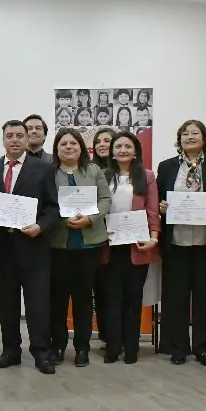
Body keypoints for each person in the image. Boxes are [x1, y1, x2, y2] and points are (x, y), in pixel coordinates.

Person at [0, 120, 60, 375]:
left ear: (27, 140)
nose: (14, 140)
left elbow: (53, 207)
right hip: (1, 248)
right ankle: (10, 351)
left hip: (34, 246)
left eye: (19, 135)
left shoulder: (44, 169)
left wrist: (40, 226)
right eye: (9, 135)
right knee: (7, 304)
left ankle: (41, 352)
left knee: (38, 305)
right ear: (3, 140)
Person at [157, 120, 206, 367]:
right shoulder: (167, 167)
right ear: (179, 139)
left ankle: (205, 347)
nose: (189, 137)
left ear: (204, 138)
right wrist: (161, 206)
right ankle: (177, 347)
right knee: (175, 297)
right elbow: (158, 198)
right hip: (176, 241)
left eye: (195, 133)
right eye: (185, 134)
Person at [49, 128, 111, 367]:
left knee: (83, 298)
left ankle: (82, 347)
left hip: (89, 244)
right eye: (63, 144)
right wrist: (59, 218)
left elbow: (105, 199)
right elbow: (44, 203)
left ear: (81, 148)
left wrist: (90, 219)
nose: (69, 147)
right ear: (57, 149)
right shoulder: (49, 173)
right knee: (58, 299)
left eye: (73, 143)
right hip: (58, 244)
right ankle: (58, 345)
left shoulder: (94, 170)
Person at [101, 131, 160, 364]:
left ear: (135, 151)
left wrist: (154, 238)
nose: (123, 150)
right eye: (118, 146)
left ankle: (132, 348)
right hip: (110, 246)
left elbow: (152, 210)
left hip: (137, 245)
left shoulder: (147, 176)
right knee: (111, 298)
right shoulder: (103, 175)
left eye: (127, 146)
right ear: (112, 152)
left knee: (133, 298)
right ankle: (113, 347)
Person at [90, 126, 115, 346]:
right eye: (98, 141)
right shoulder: (89, 171)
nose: (102, 144)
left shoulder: (128, 171)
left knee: (115, 289)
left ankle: (119, 336)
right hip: (96, 236)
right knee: (100, 288)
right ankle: (106, 335)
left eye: (107, 140)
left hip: (123, 237)